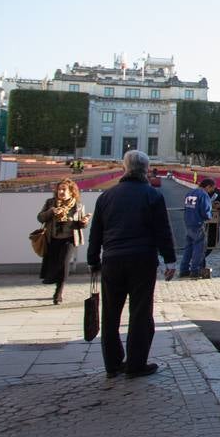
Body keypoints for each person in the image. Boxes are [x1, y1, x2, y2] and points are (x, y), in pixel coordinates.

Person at [87, 150, 176, 378]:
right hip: (142, 260)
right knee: (140, 313)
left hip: (112, 260)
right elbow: (162, 231)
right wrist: (169, 260)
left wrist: (92, 260)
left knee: (110, 314)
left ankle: (112, 364)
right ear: (146, 169)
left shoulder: (106, 197)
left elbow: (95, 233)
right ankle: (136, 364)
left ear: (124, 168)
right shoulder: (152, 195)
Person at [37, 178, 89, 304]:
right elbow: (40, 217)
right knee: (53, 264)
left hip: (69, 240)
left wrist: (84, 222)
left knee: (63, 264)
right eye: (59, 189)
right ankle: (52, 279)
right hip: (53, 238)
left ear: (71, 192)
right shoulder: (51, 203)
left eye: (64, 189)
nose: (61, 192)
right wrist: (51, 212)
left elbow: (81, 224)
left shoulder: (78, 206)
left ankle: (58, 292)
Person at [181, 177, 215, 279]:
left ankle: (184, 270)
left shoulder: (190, 193)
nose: (211, 191)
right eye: (211, 189)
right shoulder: (203, 195)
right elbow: (206, 211)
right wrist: (209, 216)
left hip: (188, 223)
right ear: (208, 186)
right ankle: (195, 271)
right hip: (198, 224)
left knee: (188, 249)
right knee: (199, 249)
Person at [204, 182, 220, 265]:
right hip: (201, 220)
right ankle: (197, 260)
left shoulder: (218, 192)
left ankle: (201, 257)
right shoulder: (201, 192)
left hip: (213, 220)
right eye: (212, 187)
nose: (213, 189)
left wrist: (219, 206)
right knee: (198, 241)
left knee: (213, 241)